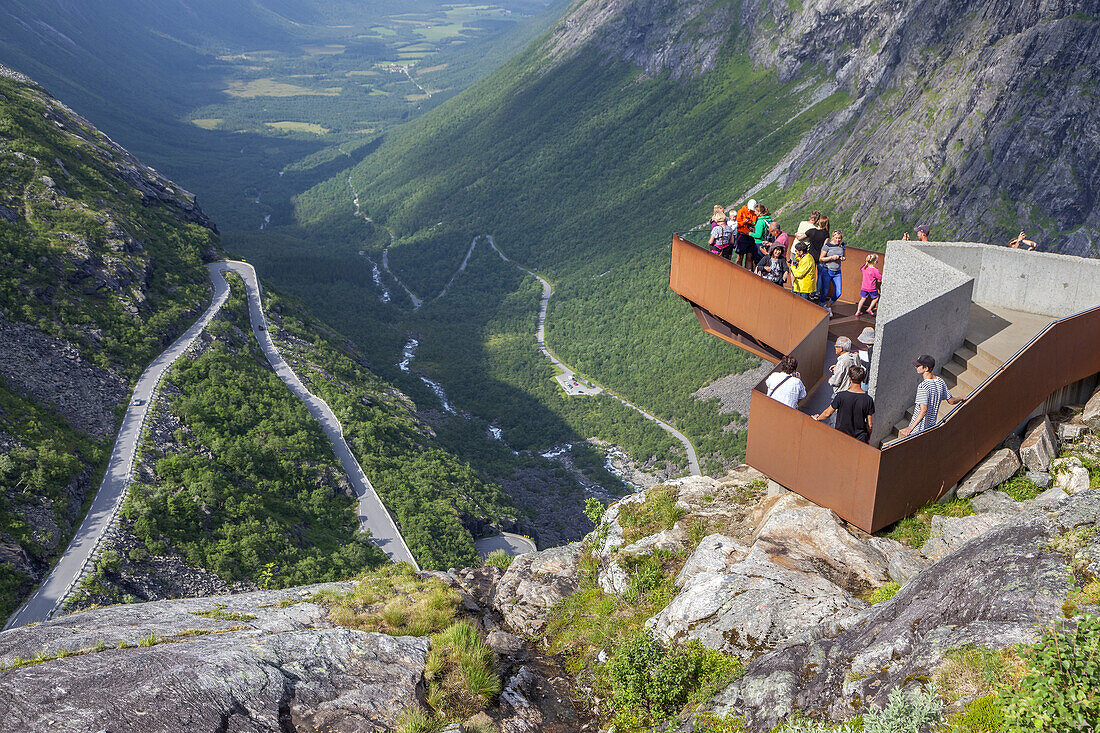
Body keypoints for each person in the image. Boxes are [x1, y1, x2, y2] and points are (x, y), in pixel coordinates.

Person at [898, 354, 965, 437]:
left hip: (918, 431)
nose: (916, 367)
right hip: (931, 429)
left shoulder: (923, 386)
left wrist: (910, 428)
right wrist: (961, 398)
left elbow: (923, 411)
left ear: (926, 368)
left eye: (918, 365)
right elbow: (951, 401)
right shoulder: (940, 381)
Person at [812, 365, 875, 443]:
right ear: (862, 379)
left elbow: (827, 414)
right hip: (860, 439)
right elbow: (870, 425)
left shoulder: (841, 396)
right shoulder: (868, 399)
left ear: (850, 379)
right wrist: (868, 437)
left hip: (842, 437)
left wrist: (817, 418)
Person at [817, 230, 846, 312]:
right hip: (827, 270)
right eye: (836, 238)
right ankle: (821, 306)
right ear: (833, 237)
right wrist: (831, 257)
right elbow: (821, 258)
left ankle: (828, 305)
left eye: (839, 238)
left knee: (838, 292)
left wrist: (841, 258)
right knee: (825, 291)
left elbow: (844, 257)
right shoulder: (827, 246)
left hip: (837, 271)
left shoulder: (842, 246)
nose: (838, 240)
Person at [734, 199, 759, 269]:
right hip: (742, 235)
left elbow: (755, 223)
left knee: (749, 256)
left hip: (750, 236)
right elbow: (737, 225)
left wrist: (753, 227)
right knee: (740, 256)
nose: (750, 211)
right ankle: (738, 270)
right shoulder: (741, 211)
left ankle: (748, 271)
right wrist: (743, 223)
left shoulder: (754, 213)